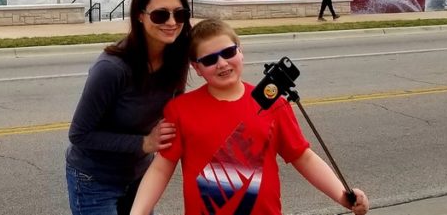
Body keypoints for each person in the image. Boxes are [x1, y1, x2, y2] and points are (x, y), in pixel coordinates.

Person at [130, 19, 370, 215]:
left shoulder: (274, 104)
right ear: (197, 68)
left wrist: (343, 196)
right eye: (210, 59)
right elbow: (161, 168)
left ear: (240, 51)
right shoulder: (180, 109)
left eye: (228, 52)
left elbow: (303, 158)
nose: (222, 63)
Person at [66, 0, 194, 215]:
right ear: (140, 15)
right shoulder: (112, 68)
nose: (171, 22)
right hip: (94, 178)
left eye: (180, 13)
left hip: (139, 174)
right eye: (160, 14)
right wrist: (144, 143)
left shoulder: (176, 59)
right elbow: (79, 134)